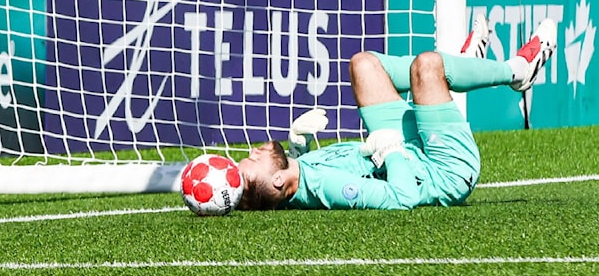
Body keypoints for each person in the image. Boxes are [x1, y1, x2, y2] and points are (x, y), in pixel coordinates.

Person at [237, 12, 558, 211]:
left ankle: (462, 66)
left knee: (362, 64)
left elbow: (289, 190)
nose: (252, 151)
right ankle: (518, 71)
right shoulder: (330, 189)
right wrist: (390, 151)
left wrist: (297, 145)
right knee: (428, 66)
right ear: (278, 178)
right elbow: (402, 198)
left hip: (407, 148)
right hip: (443, 168)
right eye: (253, 160)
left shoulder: (294, 180)